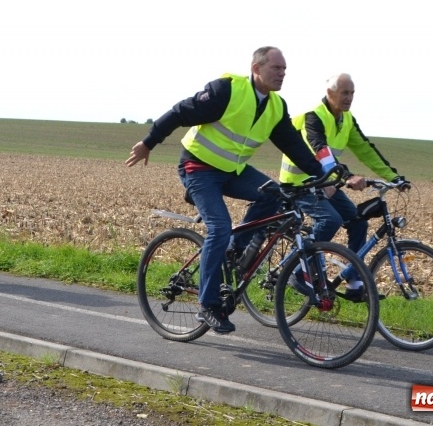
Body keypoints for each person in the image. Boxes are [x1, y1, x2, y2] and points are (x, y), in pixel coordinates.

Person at [126, 46, 326, 334]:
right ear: (256, 68)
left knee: (275, 195)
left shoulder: (275, 106)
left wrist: (323, 174)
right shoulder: (227, 90)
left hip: (233, 171)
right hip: (198, 168)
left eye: (284, 69)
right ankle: (208, 305)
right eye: (276, 68)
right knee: (219, 227)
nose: (282, 73)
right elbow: (180, 112)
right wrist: (148, 142)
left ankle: (235, 248)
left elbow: (294, 146)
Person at [279, 72, 409, 299]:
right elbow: (319, 149)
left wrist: (394, 177)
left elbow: (365, 149)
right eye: (344, 93)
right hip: (299, 184)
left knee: (358, 221)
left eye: (352, 93)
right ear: (330, 93)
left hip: (325, 182)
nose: (349, 98)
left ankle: (354, 281)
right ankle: (296, 270)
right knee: (330, 220)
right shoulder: (313, 117)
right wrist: (347, 176)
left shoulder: (346, 120)